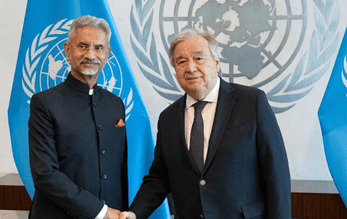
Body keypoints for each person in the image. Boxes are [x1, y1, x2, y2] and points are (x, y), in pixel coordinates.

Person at [121, 29, 291, 219]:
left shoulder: (252, 102)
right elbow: (160, 178)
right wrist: (134, 213)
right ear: (175, 69)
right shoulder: (168, 118)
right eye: (181, 61)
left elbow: (277, 173)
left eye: (199, 58)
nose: (191, 68)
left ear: (216, 63)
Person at [28, 15, 128, 219]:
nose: (90, 54)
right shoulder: (45, 103)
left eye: (98, 47)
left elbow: (120, 168)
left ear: (108, 54)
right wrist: (100, 212)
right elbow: (45, 174)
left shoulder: (115, 103)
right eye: (82, 46)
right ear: (67, 50)